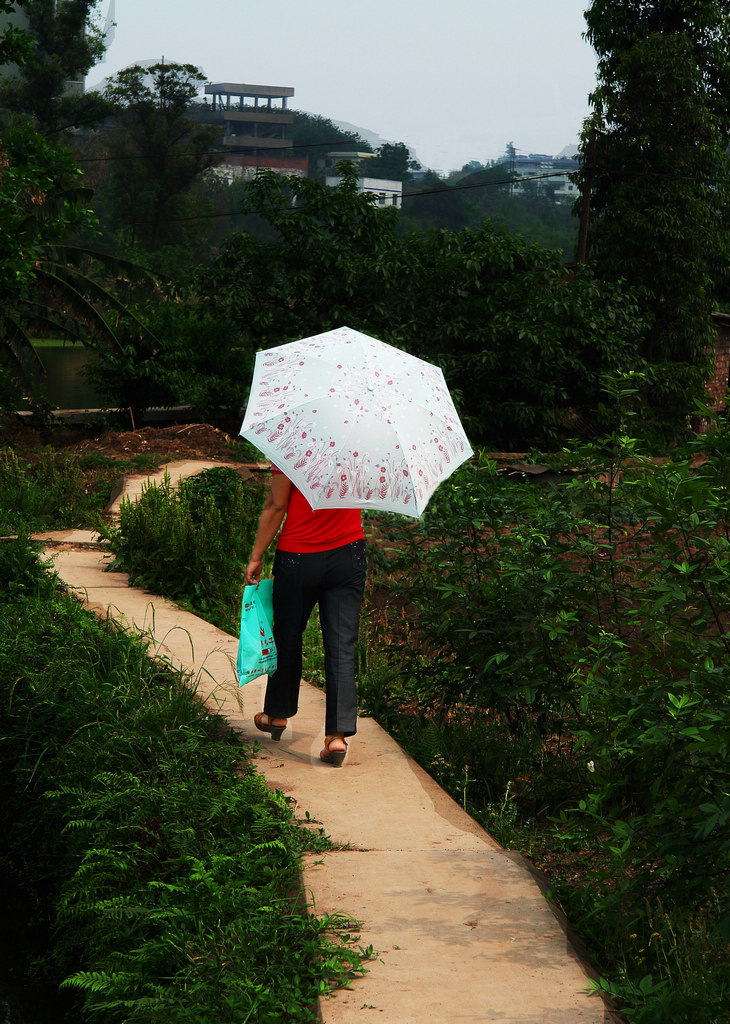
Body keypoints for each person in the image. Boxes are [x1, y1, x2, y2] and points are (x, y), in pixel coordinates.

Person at [244, 466, 367, 767]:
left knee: (288, 635)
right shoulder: (360, 444)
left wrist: (257, 555)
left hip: (299, 556)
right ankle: (336, 738)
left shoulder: (293, 446)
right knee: (341, 644)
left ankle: (276, 714)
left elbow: (277, 504)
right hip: (349, 553)